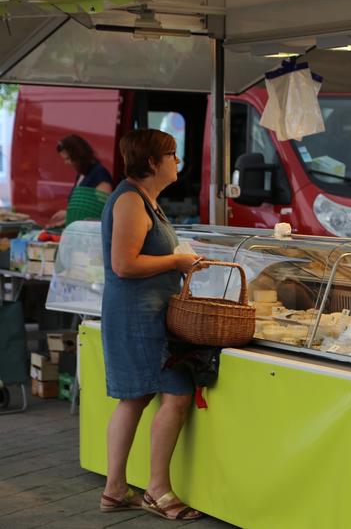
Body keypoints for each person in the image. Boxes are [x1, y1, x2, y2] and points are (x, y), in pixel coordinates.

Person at [99, 129, 203, 521]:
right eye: (173, 155)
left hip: (144, 313)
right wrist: (176, 262)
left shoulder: (145, 200)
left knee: (136, 397)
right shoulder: (129, 200)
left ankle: (115, 489)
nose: (178, 162)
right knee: (174, 395)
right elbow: (124, 265)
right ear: (153, 162)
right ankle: (156, 490)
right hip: (138, 315)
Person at [47, 134, 113, 227]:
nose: (66, 163)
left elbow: (101, 210)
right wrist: (67, 216)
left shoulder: (99, 174)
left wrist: (69, 215)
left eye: (68, 159)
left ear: (78, 155)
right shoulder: (81, 175)